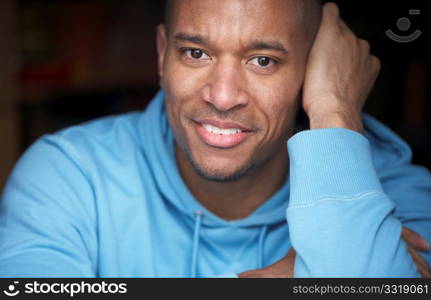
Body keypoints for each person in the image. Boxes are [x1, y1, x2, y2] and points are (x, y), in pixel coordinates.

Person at [1, 0, 430, 278]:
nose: (222, 97)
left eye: (263, 60)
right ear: (162, 55)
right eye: (195, 53)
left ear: (313, 70)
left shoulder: (394, 190)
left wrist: (335, 110)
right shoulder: (67, 176)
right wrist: (304, 276)